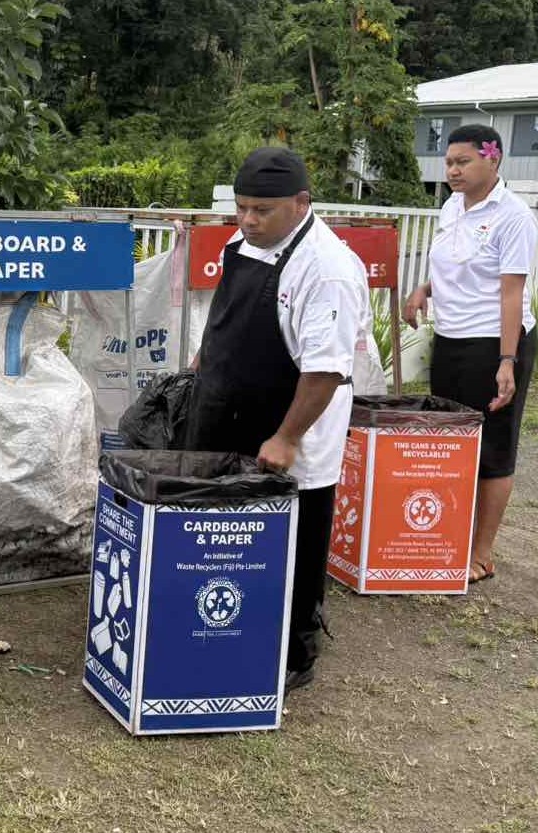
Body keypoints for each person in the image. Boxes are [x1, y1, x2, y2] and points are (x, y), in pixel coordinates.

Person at [185, 147, 369, 693]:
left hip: (292, 424)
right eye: (241, 207)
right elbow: (227, 317)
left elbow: (325, 370)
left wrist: (287, 437)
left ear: (301, 203)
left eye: (261, 210)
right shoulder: (244, 243)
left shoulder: (328, 270)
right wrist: (204, 360)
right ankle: (218, 628)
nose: (247, 220)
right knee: (221, 528)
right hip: (226, 409)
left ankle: (293, 650)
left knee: (295, 536)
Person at [403, 124, 537, 583]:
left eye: (463, 162)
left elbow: (510, 293)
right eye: (448, 162)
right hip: (451, 339)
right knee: (451, 442)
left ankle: (481, 553)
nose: (453, 171)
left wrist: (507, 361)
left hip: (495, 341)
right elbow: (457, 266)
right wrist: (424, 289)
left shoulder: (514, 216)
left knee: (493, 446)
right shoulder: (451, 207)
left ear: (492, 159)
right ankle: (448, 538)